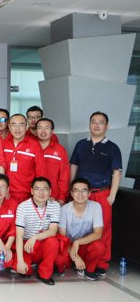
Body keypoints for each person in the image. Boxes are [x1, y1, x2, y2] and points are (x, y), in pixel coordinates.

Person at [70, 111, 121, 275]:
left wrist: (112, 196)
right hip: (80, 194)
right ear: (89, 125)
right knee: (79, 227)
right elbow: (74, 166)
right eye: (93, 121)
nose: (97, 125)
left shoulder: (112, 147)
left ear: (107, 126)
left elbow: (117, 172)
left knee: (103, 229)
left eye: (101, 122)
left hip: (102, 194)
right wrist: (71, 188)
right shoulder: (81, 144)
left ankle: (101, 264)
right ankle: (77, 258)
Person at [55, 177, 105, 281]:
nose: (80, 194)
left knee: (99, 246)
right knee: (59, 259)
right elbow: (62, 237)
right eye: (76, 190)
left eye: (84, 190)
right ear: (72, 193)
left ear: (89, 193)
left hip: (83, 247)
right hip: (68, 247)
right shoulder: (64, 209)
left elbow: (98, 234)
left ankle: (89, 270)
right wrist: (76, 257)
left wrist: (77, 242)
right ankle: (67, 266)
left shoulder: (96, 207)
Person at [13, 177, 61, 286]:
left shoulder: (55, 205)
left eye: (45, 189)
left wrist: (35, 237)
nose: (41, 192)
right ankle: (29, 265)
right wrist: (20, 261)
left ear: (50, 191)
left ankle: (44, 274)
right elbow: (19, 236)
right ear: (31, 191)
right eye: (37, 189)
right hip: (27, 246)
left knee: (54, 242)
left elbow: (53, 231)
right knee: (22, 269)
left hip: (43, 243)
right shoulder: (23, 207)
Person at [2, 114, 46, 203]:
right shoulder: (3, 143)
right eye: (14, 125)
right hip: (5, 194)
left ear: (26, 127)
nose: (17, 128)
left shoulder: (35, 146)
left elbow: (41, 172)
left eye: (21, 125)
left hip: (26, 196)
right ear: (9, 127)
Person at [37, 118, 69, 205]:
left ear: (52, 131)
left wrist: (62, 197)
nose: (43, 131)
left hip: (54, 197)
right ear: (36, 130)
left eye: (47, 128)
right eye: (40, 128)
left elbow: (64, 175)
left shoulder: (60, 150)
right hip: (33, 196)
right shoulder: (31, 148)